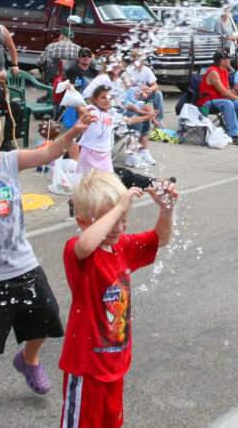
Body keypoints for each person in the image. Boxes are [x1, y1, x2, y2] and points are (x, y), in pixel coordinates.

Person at [0, 89, 97, 416]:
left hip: (22, 263)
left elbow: (48, 154)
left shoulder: (9, 161)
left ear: (0, 140)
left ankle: (28, 359)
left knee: (47, 316)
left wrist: (74, 131)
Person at [59, 170, 178, 428]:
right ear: (82, 221)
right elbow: (86, 244)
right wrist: (118, 206)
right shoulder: (79, 252)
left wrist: (166, 210)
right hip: (86, 368)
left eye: (124, 219)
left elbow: (161, 239)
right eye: (112, 220)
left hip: (115, 363)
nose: (120, 227)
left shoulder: (120, 247)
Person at [76, 85, 155, 175]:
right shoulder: (92, 111)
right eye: (103, 97)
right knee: (86, 179)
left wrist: (148, 117)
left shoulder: (112, 113)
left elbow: (129, 120)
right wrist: (71, 89)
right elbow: (78, 106)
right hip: (88, 153)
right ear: (95, 100)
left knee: (109, 179)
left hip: (105, 154)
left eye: (109, 97)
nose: (107, 100)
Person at [197, 50, 238, 144]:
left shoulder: (224, 70)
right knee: (229, 103)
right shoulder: (213, 72)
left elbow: (226, 89)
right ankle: (233, 134)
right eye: (228, 59)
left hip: (220, 100)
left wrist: (233, 92)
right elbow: (223, 92)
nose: (230, 61)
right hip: (207, 102)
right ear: (222, 61)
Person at [124, 54, 163, 127]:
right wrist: (141, 89)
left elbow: (155, 85)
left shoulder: (147, 70)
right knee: (140, 106)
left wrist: (150, 89)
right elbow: (126, 88)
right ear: (134, 61)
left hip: (143, 93)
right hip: (132, 96)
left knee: (158, 94)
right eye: (139, 59)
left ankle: (158, 120)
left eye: (143, 59)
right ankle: (148, 116)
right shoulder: (128, 71)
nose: (142, 61)